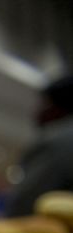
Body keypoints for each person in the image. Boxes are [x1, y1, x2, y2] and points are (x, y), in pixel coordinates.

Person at [5, 75, 73, 217]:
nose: (37, 112)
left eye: (45, 104)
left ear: (57, 107)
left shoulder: (55, 142)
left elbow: (24, 204)